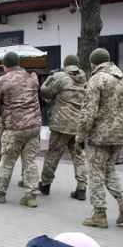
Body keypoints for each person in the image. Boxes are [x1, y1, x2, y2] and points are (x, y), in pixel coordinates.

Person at [75, 48, 123, 227]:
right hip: (118, 135)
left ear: (94, 63)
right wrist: (122, 125)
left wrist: (80, 136)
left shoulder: (97, 79)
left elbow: (89, 111)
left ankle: (99, 214)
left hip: (99, 135)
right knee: (109, 170)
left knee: (95, 172)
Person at [0, 52, 42, 208]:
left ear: (6, 66)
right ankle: (30, 196)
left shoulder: (3, 80)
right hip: (34, 126)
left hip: (15, 127)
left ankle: (0, 191)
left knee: (7, 160)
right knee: (30, 161)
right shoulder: (32, 78)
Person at [38, 55, 88, 200]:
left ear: (65, 64)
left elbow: (45, 92)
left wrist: (50, 78)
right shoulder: (83, 77)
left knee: (53, 154)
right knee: (78, 155)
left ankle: (46, 183)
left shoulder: (60, 76)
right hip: (78, 124)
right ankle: (81, 187)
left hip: (61, 124)